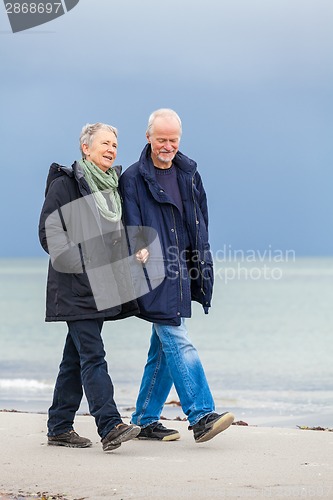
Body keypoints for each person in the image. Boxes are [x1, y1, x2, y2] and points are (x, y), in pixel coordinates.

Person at [119, 109, 234, 443]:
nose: (167, 146)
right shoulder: (133, 178)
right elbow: (130, 222)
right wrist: (138, 246)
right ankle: (201, 415)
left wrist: (203, 264)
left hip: (185, 269)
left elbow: (201, 221)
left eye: (173, 139)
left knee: (163, 346)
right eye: (161, 139)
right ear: (148, 137)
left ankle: (144, 418)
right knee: (178, 339)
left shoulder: (190, 173)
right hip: (154, 271)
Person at [38, 123, 141, 452]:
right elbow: (49, 234)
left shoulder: (113, 190)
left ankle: (59, 426)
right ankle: (110, 425)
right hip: (75, 287)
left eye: (115, 144)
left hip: (101, 288)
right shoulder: (65, 185)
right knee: (93, 356)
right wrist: (85, 263)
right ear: (86, 148)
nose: (112, 149)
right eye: (105, 144)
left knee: (75, 359)